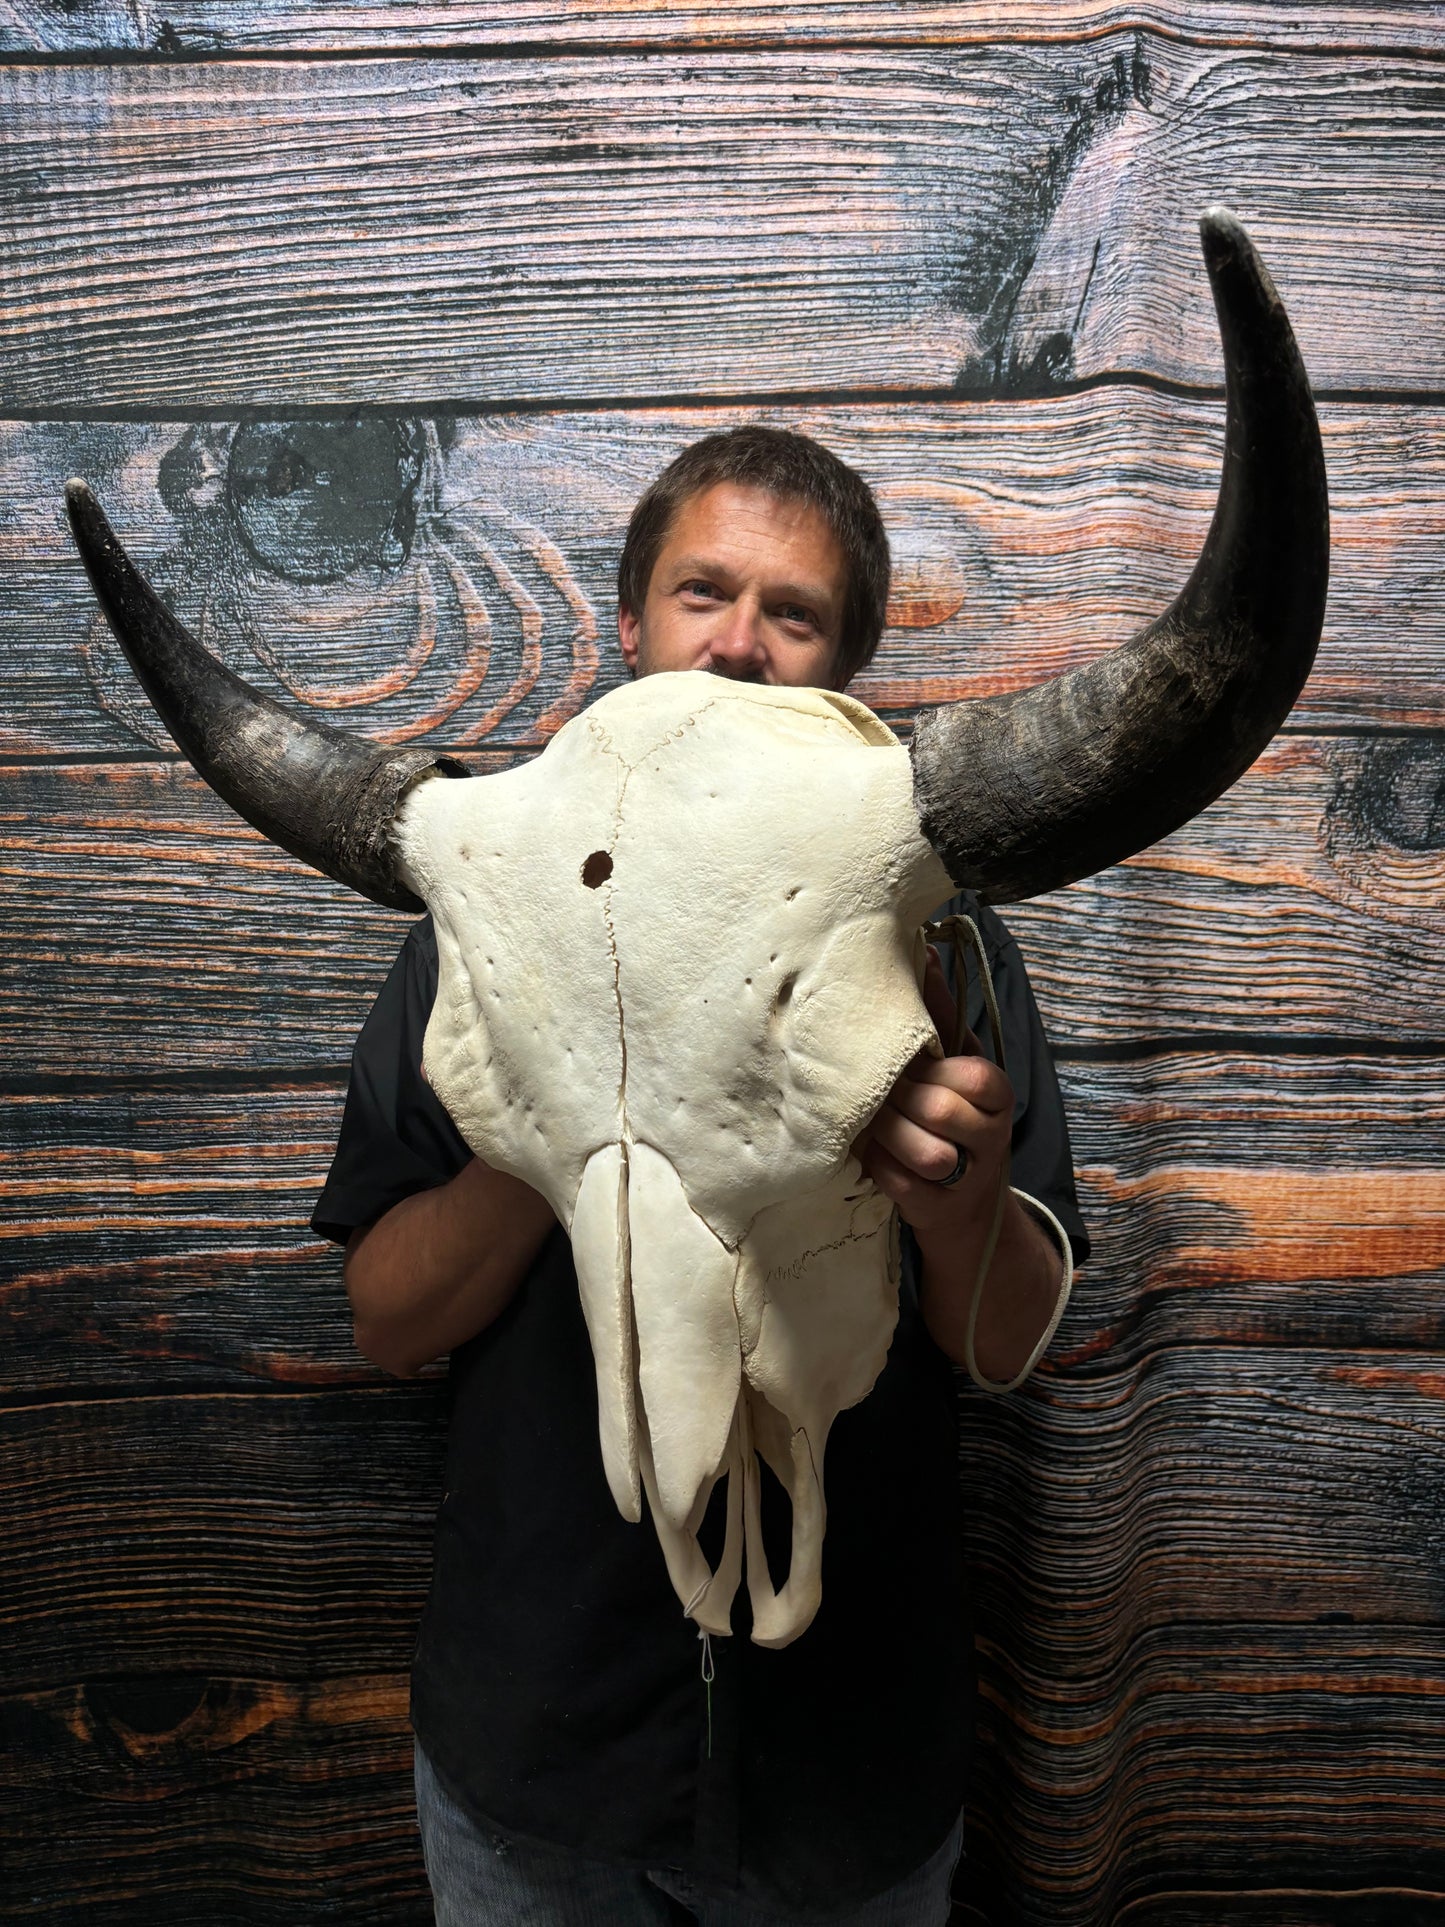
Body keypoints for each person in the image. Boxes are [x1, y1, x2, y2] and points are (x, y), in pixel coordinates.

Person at [312, 426, 1089, 1926]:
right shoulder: (469, 942)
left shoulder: (952, 951)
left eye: (792, 616)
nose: (737, 646)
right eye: (701, 593)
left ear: (843, 666)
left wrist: (957, 1200)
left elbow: (1002, 1341)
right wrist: (559, 1105)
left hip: (845, 1773)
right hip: (538, 1755)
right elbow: (387, 1322)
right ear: (630, 623)